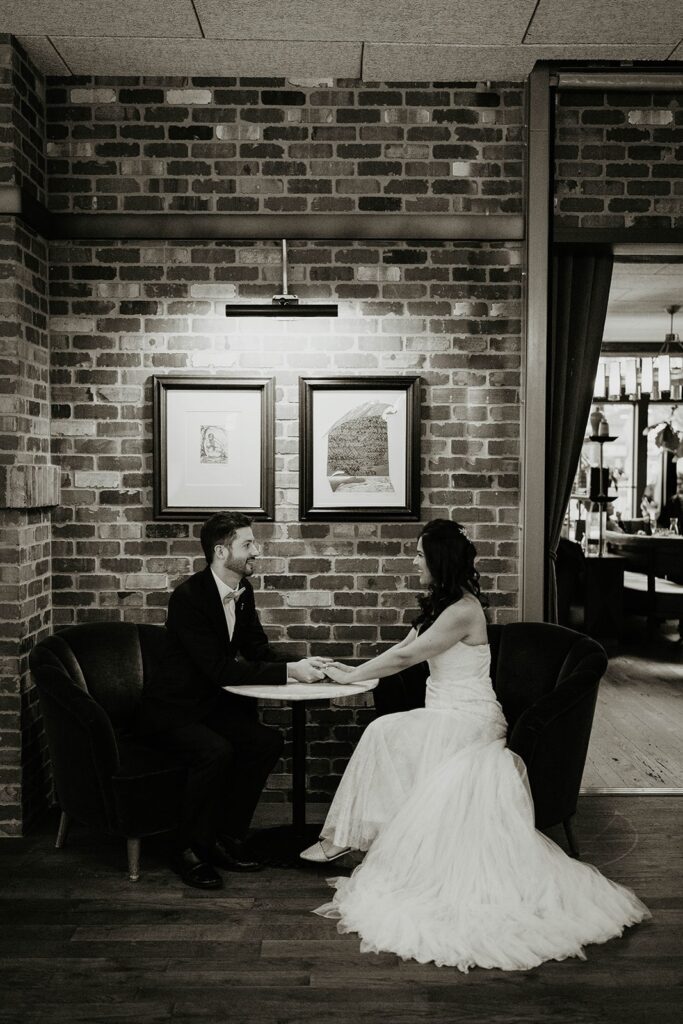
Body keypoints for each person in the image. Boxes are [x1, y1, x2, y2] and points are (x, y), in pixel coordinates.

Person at [300, 519, 649, 971]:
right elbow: (400, 651)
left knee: (386, 732)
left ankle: (350, 840)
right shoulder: (437, 608)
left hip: (470, 720)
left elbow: (408, 657)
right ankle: (358, 840)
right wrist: (351, 670)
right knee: (388, 731)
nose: (413, 561)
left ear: (439, 561)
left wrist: (349, 677)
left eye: (419, 555)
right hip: (442, 715)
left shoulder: (463, 609)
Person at [136, 510, 328, 890]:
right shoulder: (189, 598)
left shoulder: (244, 591)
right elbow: (220, 670)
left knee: (265, 742)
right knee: (215, 752)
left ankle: (225, 837)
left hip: (208, 706)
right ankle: (187, 849)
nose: (256, 550)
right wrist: (290, 675)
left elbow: (257, 650)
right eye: (248, 544)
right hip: (172, 710)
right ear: (222, 552)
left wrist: (302, 664)